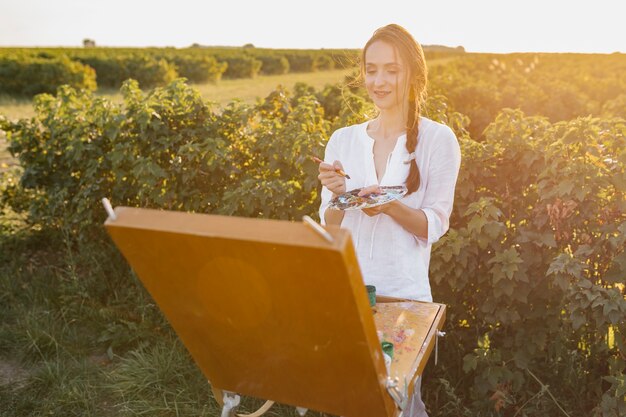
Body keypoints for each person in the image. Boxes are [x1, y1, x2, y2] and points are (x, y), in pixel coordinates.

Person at [317, 23, 461, 417]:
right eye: (371, 69)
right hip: (349, 293)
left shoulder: (438, 139)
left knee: (396, 404)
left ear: (413, 74)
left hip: (405, 298)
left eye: (391, 70)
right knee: (348, 400)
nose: (378, 81)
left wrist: (388, 206)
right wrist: (335, 194)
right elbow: (330, 226)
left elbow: (435, 225)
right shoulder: (343, 139)